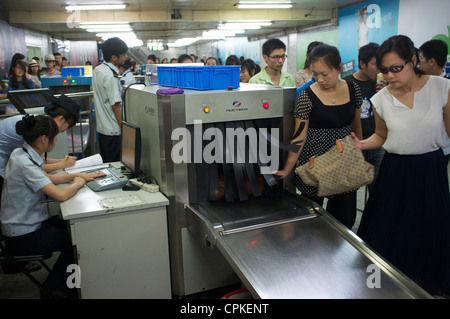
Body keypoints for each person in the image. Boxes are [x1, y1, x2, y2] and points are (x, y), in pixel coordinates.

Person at [353, 35, 450, 297]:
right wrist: (361, 144)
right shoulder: (381, 99)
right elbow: (382, 136)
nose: (390, 75)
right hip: (395, 171)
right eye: (384, 70)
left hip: (431, 169)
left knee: (430, 229)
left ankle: (426, 286)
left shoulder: (441, 88)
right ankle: (385, 286)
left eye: (396, 68)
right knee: (390, 230)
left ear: (414, 60)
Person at [0, 114, 104, 298]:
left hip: (24, 226)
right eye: (54, 137)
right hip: (24, 234)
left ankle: (65, 284)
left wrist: (77, 176)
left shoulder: (21, 154)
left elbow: (48, 179)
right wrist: (77, 184)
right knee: (79, 241)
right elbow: (62, 195)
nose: (56, 140)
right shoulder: (25, 164)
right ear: (43, 139)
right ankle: (55, 289)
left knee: (72, 226)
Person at [275, 44, 362, 229]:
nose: (319, 79)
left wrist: (358, 154)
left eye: (325, 74)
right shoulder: (306, 95)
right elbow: (299, 136)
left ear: (339, 68)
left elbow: (356, 127)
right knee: (312, 218)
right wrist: (288, 168)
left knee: (345, 218)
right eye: (315, 73)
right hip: (314, 162)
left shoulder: (354, 89)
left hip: (344, 162)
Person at [0, 94, 81, 198]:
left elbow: (36, 158)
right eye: (69, 125)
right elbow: (34, 164)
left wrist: (62, 161)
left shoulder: (37, 124)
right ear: (61, 119)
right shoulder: (33, 130)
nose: (65, 130)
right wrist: (65, 167)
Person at [344, 43, 386, 192]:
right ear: (362, 63)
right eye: (376, 64)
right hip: (353, 145)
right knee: (347, 192)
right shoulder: (346, 84)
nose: (380, 69)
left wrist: (386, 94)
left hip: (375, 144)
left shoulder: (383, 85)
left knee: (378, 191)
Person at [92, 37, 128, 163]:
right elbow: (115, 106)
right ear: (114, 57)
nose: (125, 57)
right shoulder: (111, 76)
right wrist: (125, 130)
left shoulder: (98, 70)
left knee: (107, 165)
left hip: (102, 129)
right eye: (123, 54)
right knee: (116, 167)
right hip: (113, 131)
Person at [419, 39, 450, 165]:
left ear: (431, 61)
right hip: (420, 147)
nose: (419, 64)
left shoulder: (448, 86)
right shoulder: (419, 83)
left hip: (442, 148)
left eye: (421, 58)